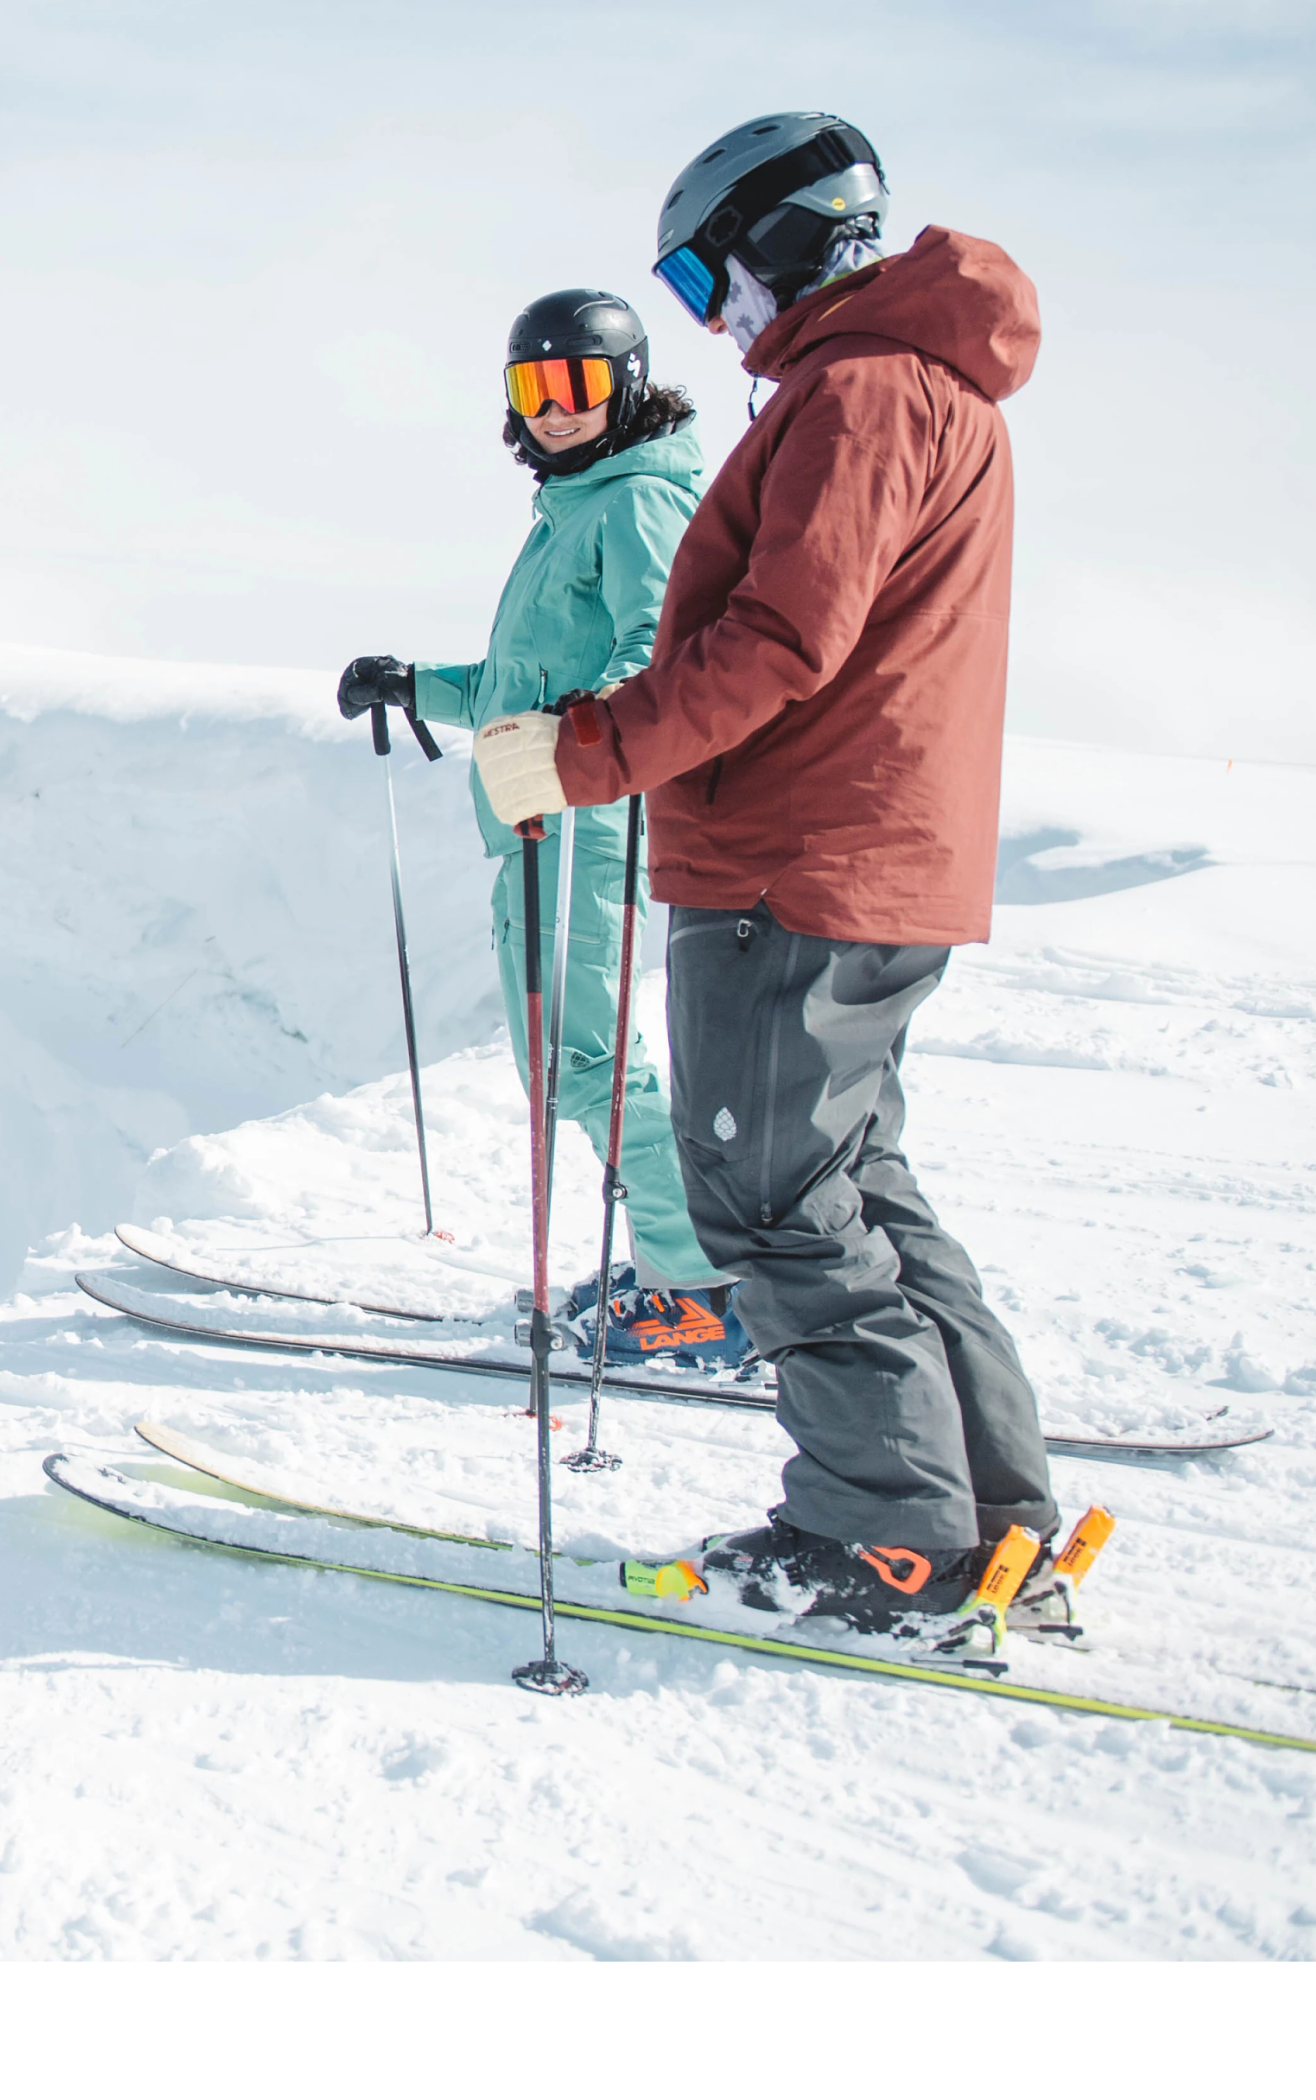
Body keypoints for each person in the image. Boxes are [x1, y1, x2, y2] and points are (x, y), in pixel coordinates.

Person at [458, 113, 1063, 1637]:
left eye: (697, 272)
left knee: (778, 1202)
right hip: (866, 858)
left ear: (778, 238)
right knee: (851, 1184)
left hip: (792, 863)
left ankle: (883, 1544)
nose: (706, 314)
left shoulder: (855, 393)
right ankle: (985, 1516)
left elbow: (776, 645)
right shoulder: (932, 390)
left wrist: (582, 754)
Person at [336, 289, 737, 1366]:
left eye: (579, 385)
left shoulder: (638, 504)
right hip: (538, 815)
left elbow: (663, 654)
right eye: (534, 388)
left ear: (630, 386)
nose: (555, 410)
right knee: (568, 1060)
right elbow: (528, 686)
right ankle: (672, 1255)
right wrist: (418, 685)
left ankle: (696, 1284)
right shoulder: (575, 511)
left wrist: (575, 735)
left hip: (585, 815)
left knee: (587, 1061)